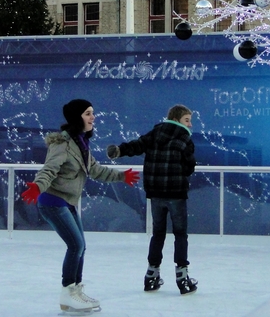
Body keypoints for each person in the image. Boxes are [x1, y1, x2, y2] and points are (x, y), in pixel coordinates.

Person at [21, 99, 140, 313]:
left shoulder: (81, 143)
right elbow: (49, 169)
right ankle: (68, 292)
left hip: (68, 201)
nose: (93, 117)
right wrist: (38, 187)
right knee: (76, 245)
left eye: (92, 112)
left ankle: (74, 290)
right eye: (88, 113)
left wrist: (121, 176)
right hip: (52, 201)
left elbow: (96, 170)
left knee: (81, 246)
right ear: (78, 118)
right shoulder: (62, 144)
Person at [107, 104, 198, 295]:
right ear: (177, 119)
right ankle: (182, 277)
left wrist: (119, 150)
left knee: (158, 233)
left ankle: (151, 275)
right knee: (180, 234)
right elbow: (189, 167)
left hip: (155, 193)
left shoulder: (155, 133)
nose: (190, 125)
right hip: (176, 194)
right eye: (187, 120)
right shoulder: (184, 138)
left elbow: (137, 145)